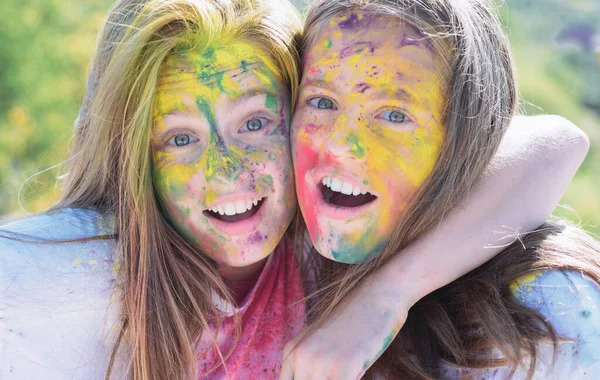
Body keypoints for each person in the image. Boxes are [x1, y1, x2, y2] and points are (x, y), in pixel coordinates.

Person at [0, 0, 591, 379]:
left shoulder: (323, 242)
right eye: (178, 139)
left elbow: (556, 141)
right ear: (132, 156)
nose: (227, 172)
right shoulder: (83, 273)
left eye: (255, 123)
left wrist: (381, 300)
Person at [285, 0, 600, 379]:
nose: (339, 144)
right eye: (322, 101)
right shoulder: (276, 256)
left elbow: (562, 139)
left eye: (395, 115)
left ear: (464, 139)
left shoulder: (549, 313)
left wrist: (384, 299)